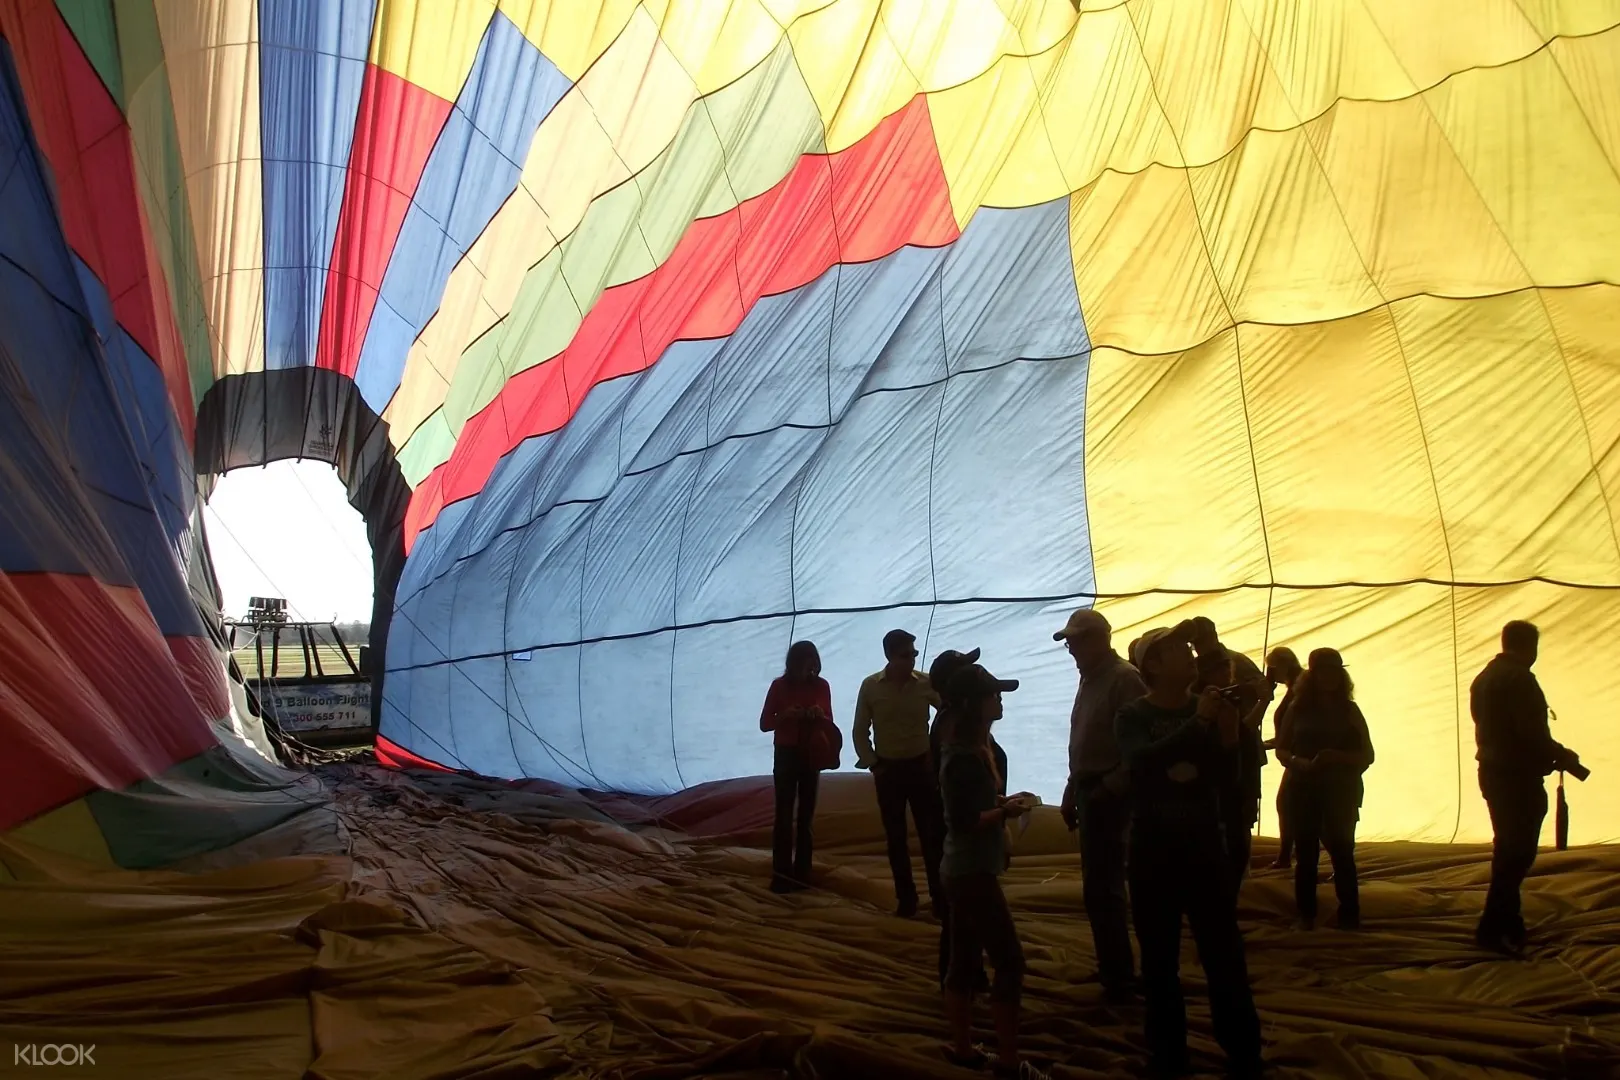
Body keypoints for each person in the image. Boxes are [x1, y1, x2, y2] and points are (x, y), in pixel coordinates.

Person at [1116, 622, 1264, 1078]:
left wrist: (1228, 737)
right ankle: (1168, 1057)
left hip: (1203, 851)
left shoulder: (1209, 709)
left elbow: (1226, 781)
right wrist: (1199, 725)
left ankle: (1244, 1054)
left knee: (1224, 956)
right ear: (1153, 666)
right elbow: (1141, 764)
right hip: (1153, 855)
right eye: (1179, 649)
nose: (1191, 655)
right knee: (1160, 962)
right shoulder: (1132, 717)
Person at [938, 663, 1049, 1080]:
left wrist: (1001, 800)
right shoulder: (964, 759)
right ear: (973, 705)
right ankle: (1007, 1062)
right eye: (993, 695)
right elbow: (965, 818)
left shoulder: (972, 750)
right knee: (1010, 961)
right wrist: (1005, 810)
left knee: (965, 961)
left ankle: (965, 1049)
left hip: (963, 869)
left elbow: (971, 806)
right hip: (972, 874)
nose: (999, 700)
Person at [1470, 620, 1583, 957]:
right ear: (1531, 647)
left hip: (1493, 773)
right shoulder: (1521, 680)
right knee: (1517, 853)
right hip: (1517, 778)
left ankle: (1508, 921)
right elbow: (1531, 733)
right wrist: (1561, 755)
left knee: (1507, 849)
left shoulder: (1484, 678)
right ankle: (1493, 926)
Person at [1054, 608, 1146, 1002]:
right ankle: (1112, 967)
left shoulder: (1125, 680)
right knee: (1097, 886)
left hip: (1111, 796)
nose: (1071, 648)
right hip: (1092, 790)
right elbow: (1085, 741)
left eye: (1076, 641)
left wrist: (1110, 787)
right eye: (1070, 643)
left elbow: (1140, 749)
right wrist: (1073, 788)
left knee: (1107, 887)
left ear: (1100, 639)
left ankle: (1121, 976)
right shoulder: (1091, 678)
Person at [1273, 648, 1373, 930]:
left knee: (1342, 852)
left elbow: (1367, 754)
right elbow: (1281, 748)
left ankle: (1350, 914)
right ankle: (1306, 914)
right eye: (1323, 671)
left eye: (1334, 671)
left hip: (1340, 790)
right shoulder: (1299, 708)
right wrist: (1298, 762)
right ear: (1312, 675)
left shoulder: (1350, 710)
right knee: (1306, 855)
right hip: (1303, 787)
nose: (1329, 677)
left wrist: (1336, 757)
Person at [928, 647, 1007, 989]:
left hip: (971, 850)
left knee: (962, 925)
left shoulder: (965, 733)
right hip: (967, 852)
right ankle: (964, 986)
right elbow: (964, 815)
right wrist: (1003, 812)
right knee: (1004, 956)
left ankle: (963, 983)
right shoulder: (956, 738)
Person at [854, 628, 945, 917]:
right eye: (905, 655)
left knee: (932, 836)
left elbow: (948, 713)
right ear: (890, 656)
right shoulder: (870, 686)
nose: (911, 660)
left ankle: (940, 898)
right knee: (896, 838)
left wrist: (938, 755)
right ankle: (907, 900)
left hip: (921, 767)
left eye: (914, 654)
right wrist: (873, 763)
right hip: (889, 770)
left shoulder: (926, 683)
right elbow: (859, 730)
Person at [1188, 617, 1267, 886]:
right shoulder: (1193, 669)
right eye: (1195, 642)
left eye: (1201, 640)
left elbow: (1263, 691)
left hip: (1242, 748)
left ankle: (1239, 873)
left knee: (1242, 813)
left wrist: (1247, 710)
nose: (1199, 646)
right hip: (1211, 750)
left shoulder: (1238, 662)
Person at [759, 640, 833, 893]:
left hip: (811, 753)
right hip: (787, 753)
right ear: (794, 664)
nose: (810, 669)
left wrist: (817, 713)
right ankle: (781, 876)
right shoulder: (779, 687)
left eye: (813, 663)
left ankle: (803, 875)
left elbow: (829, 721)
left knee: (805, 817)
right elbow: (765, 723)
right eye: (805, 663)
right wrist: (786, 715)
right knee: (784, 814)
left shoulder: (822, 686)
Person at [1260, 647, 1303, 869]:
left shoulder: (1301, 687)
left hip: (1301, 759)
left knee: (1287, 804)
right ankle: (1288, 855)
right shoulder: (1296, 687)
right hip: (1295, 757)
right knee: (1288, 805)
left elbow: (1295, 728)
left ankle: (1287, 856)